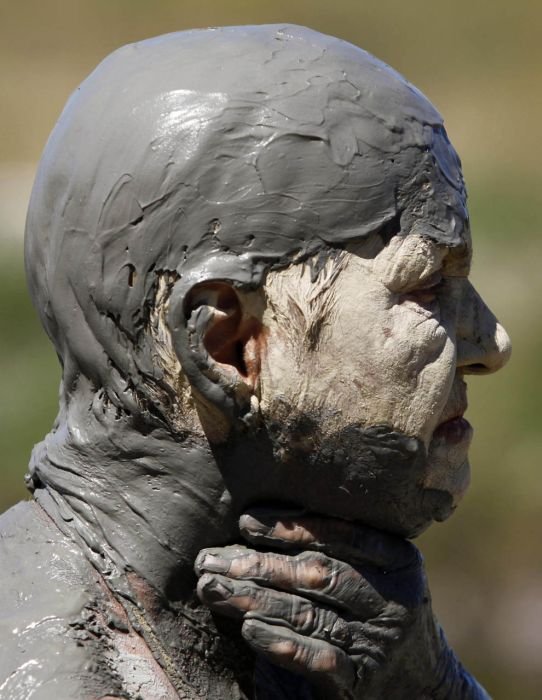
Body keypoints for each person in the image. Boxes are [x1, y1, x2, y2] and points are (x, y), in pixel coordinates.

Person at [1, 25, 510, 699]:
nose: (491, 345)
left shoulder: (320, 649)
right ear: (227, 345)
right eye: (424, 288)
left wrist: (428, 683)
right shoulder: (52, 676)